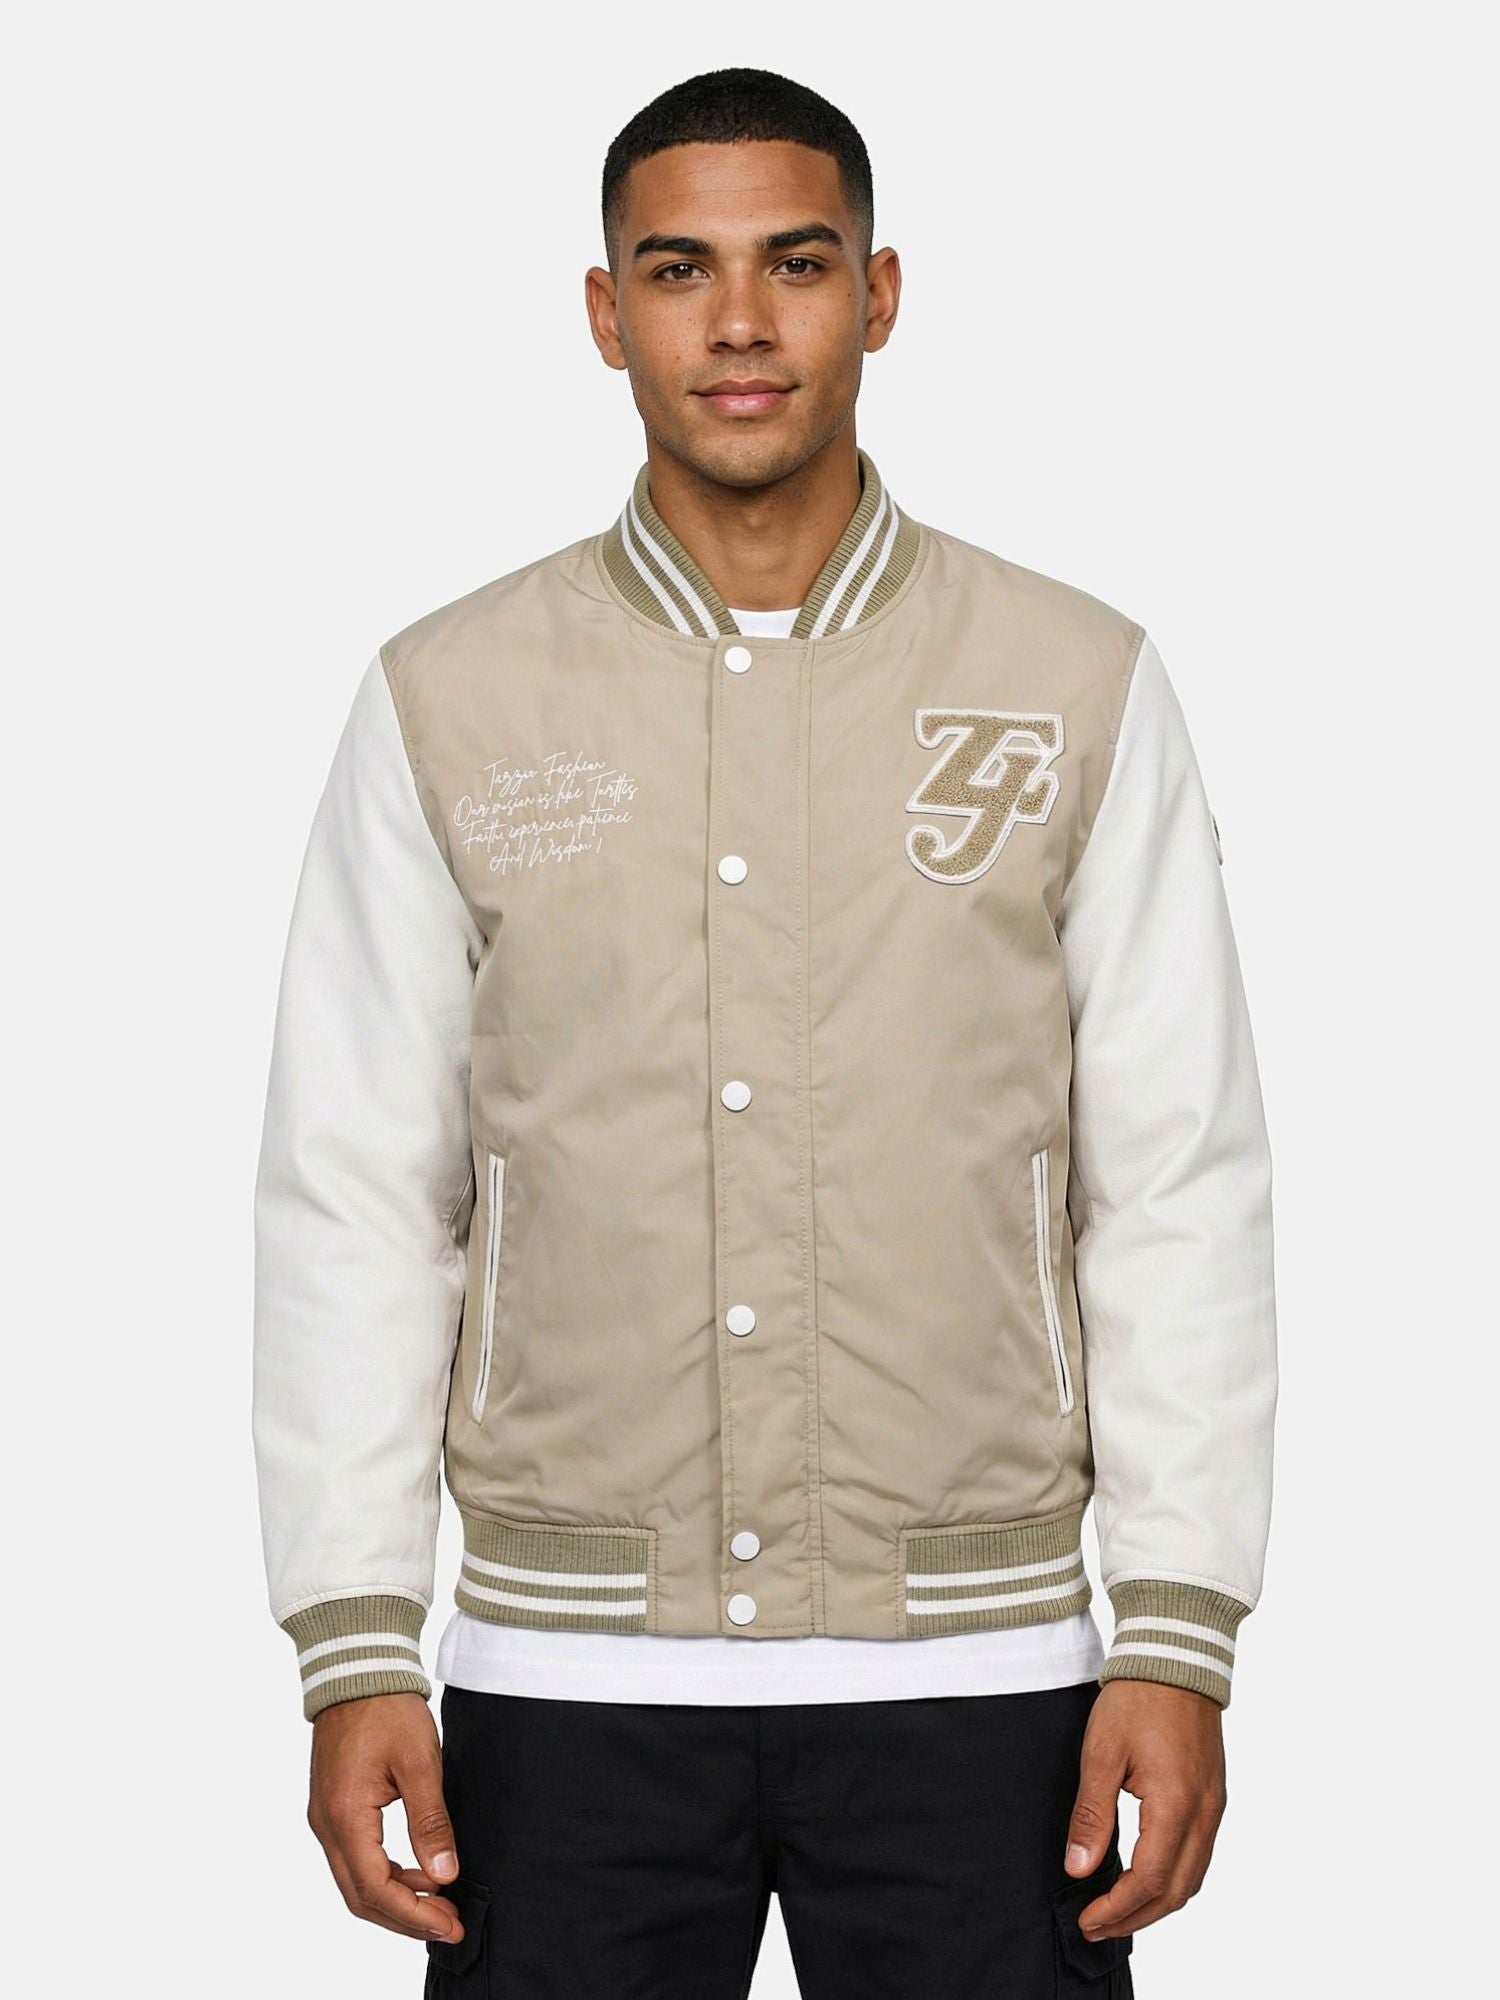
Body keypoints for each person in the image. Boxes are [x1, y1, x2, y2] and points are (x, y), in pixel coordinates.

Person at [251, 66, 1277, 1999]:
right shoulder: (451, 697)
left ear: (879, 296)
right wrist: (356, 1636)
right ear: (604, 311)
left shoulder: (1072, 683)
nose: (738, 322)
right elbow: (356, 1195)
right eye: (679, 270)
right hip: (565, 1686)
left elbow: (1176, 1183)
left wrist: (1175, 1628)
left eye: (795, 264)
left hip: (987, 1681)